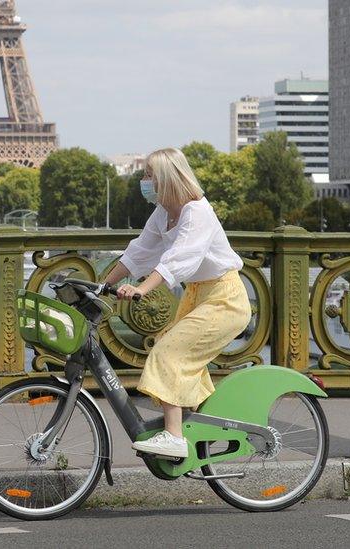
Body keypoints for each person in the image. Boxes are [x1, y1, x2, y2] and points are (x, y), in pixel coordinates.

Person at [101, 147, 251, 459]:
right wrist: (106, 284)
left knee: (169, 353)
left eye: (148, 176)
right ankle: (198, 427)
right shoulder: (164, 213)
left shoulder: (196, 211)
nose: (144, 181)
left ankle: (174, 437)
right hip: (199, 295)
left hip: (224, 298)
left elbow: (179, 260)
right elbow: (139, 252)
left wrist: (142, 289)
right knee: (182, 357)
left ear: (166, 179)